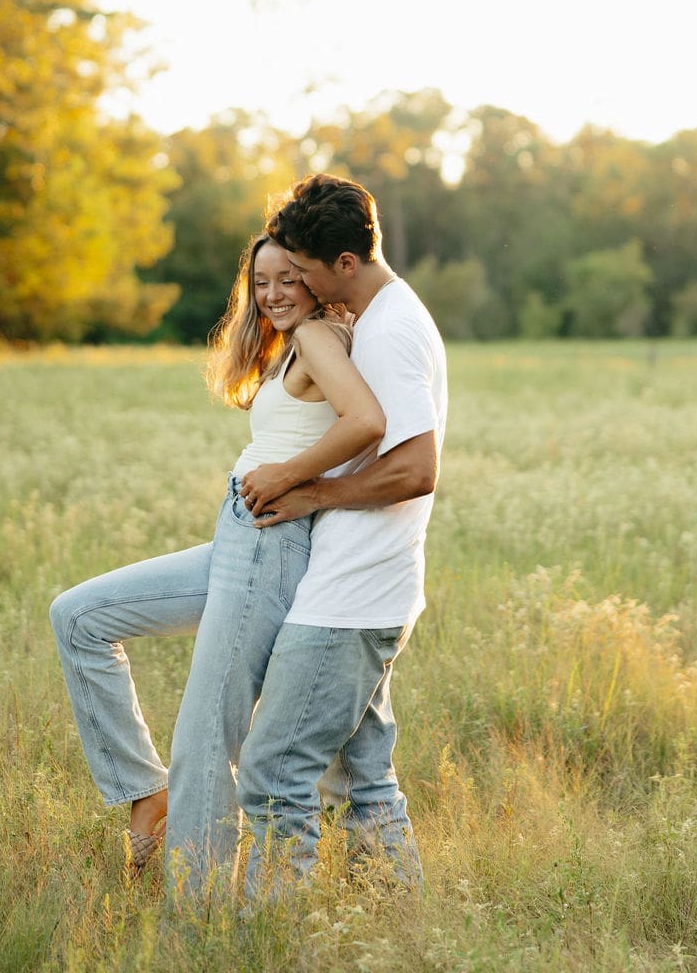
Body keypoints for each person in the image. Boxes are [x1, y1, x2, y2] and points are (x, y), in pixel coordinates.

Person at [49, 233, 385, 890]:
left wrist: (289, 476)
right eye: (262, 282)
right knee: (79, 617)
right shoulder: (300, 340)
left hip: (268, 541)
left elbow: (366, 419)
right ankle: (147, 796)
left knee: (206, 733)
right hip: (239, 536)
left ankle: (193, 914)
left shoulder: (318, 337)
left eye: (288, 277)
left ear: (315, 278)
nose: (273, 294)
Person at [233, 173, 448, 897]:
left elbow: (416, 469)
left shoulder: (390, 328)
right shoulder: (381, 318)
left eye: (309, 271)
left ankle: (270, 934)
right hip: (367, 589)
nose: (301, 283)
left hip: (351, 598)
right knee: (361, 781)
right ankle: (405, 928)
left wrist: (311, 490)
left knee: (274, 771)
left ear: (346, 265)